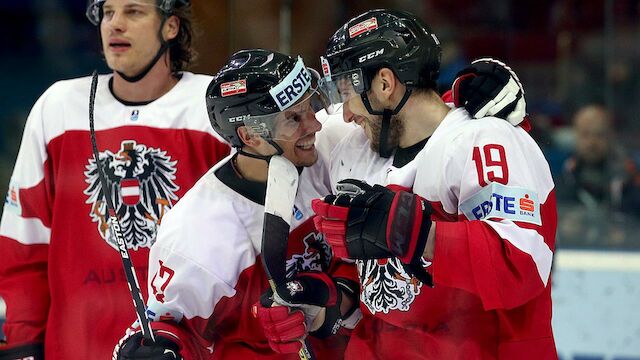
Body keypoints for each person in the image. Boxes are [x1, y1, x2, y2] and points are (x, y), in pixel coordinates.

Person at [263, 9, 558, 359]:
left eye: (347, 92)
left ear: (385, 84)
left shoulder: (483, 141)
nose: (345, 114)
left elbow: (521, 264)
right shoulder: (355, 151)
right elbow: (372, 279)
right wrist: (330, 301)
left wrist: (420, 235)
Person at [0, 0, 230, 358]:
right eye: (107, 13)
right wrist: (22, 347)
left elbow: (246, 248)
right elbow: (24, 243)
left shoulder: (212, 108)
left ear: (170, 26)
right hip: (76, 348)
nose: (114, 24)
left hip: (188, 349)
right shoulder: (58, 107)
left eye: (133, 12)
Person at [112, 49, 362, 359]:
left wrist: (338, 293)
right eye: (293, 118)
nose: (314, 125)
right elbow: (168, 330)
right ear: (250, 136)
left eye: (310, 107)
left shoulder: (332, 149)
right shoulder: (196, 234)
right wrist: (156, 349)